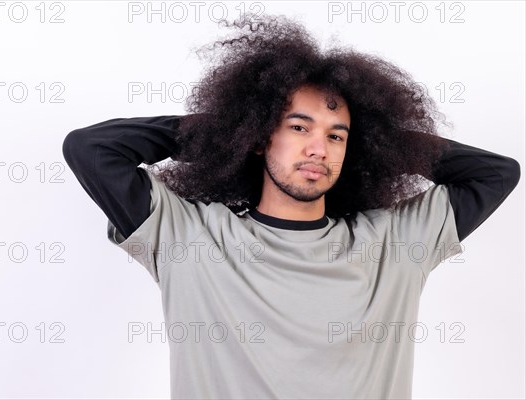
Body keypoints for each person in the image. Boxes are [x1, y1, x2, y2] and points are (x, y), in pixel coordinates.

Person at [62, 13, 521, 400]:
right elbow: (93, 149)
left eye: (336, 135)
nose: (319, 148)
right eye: (299, 128)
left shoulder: (394, 244)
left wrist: (377, 141)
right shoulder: (188, 237)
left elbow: (497, 172)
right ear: (260, 137)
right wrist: (228, 127)